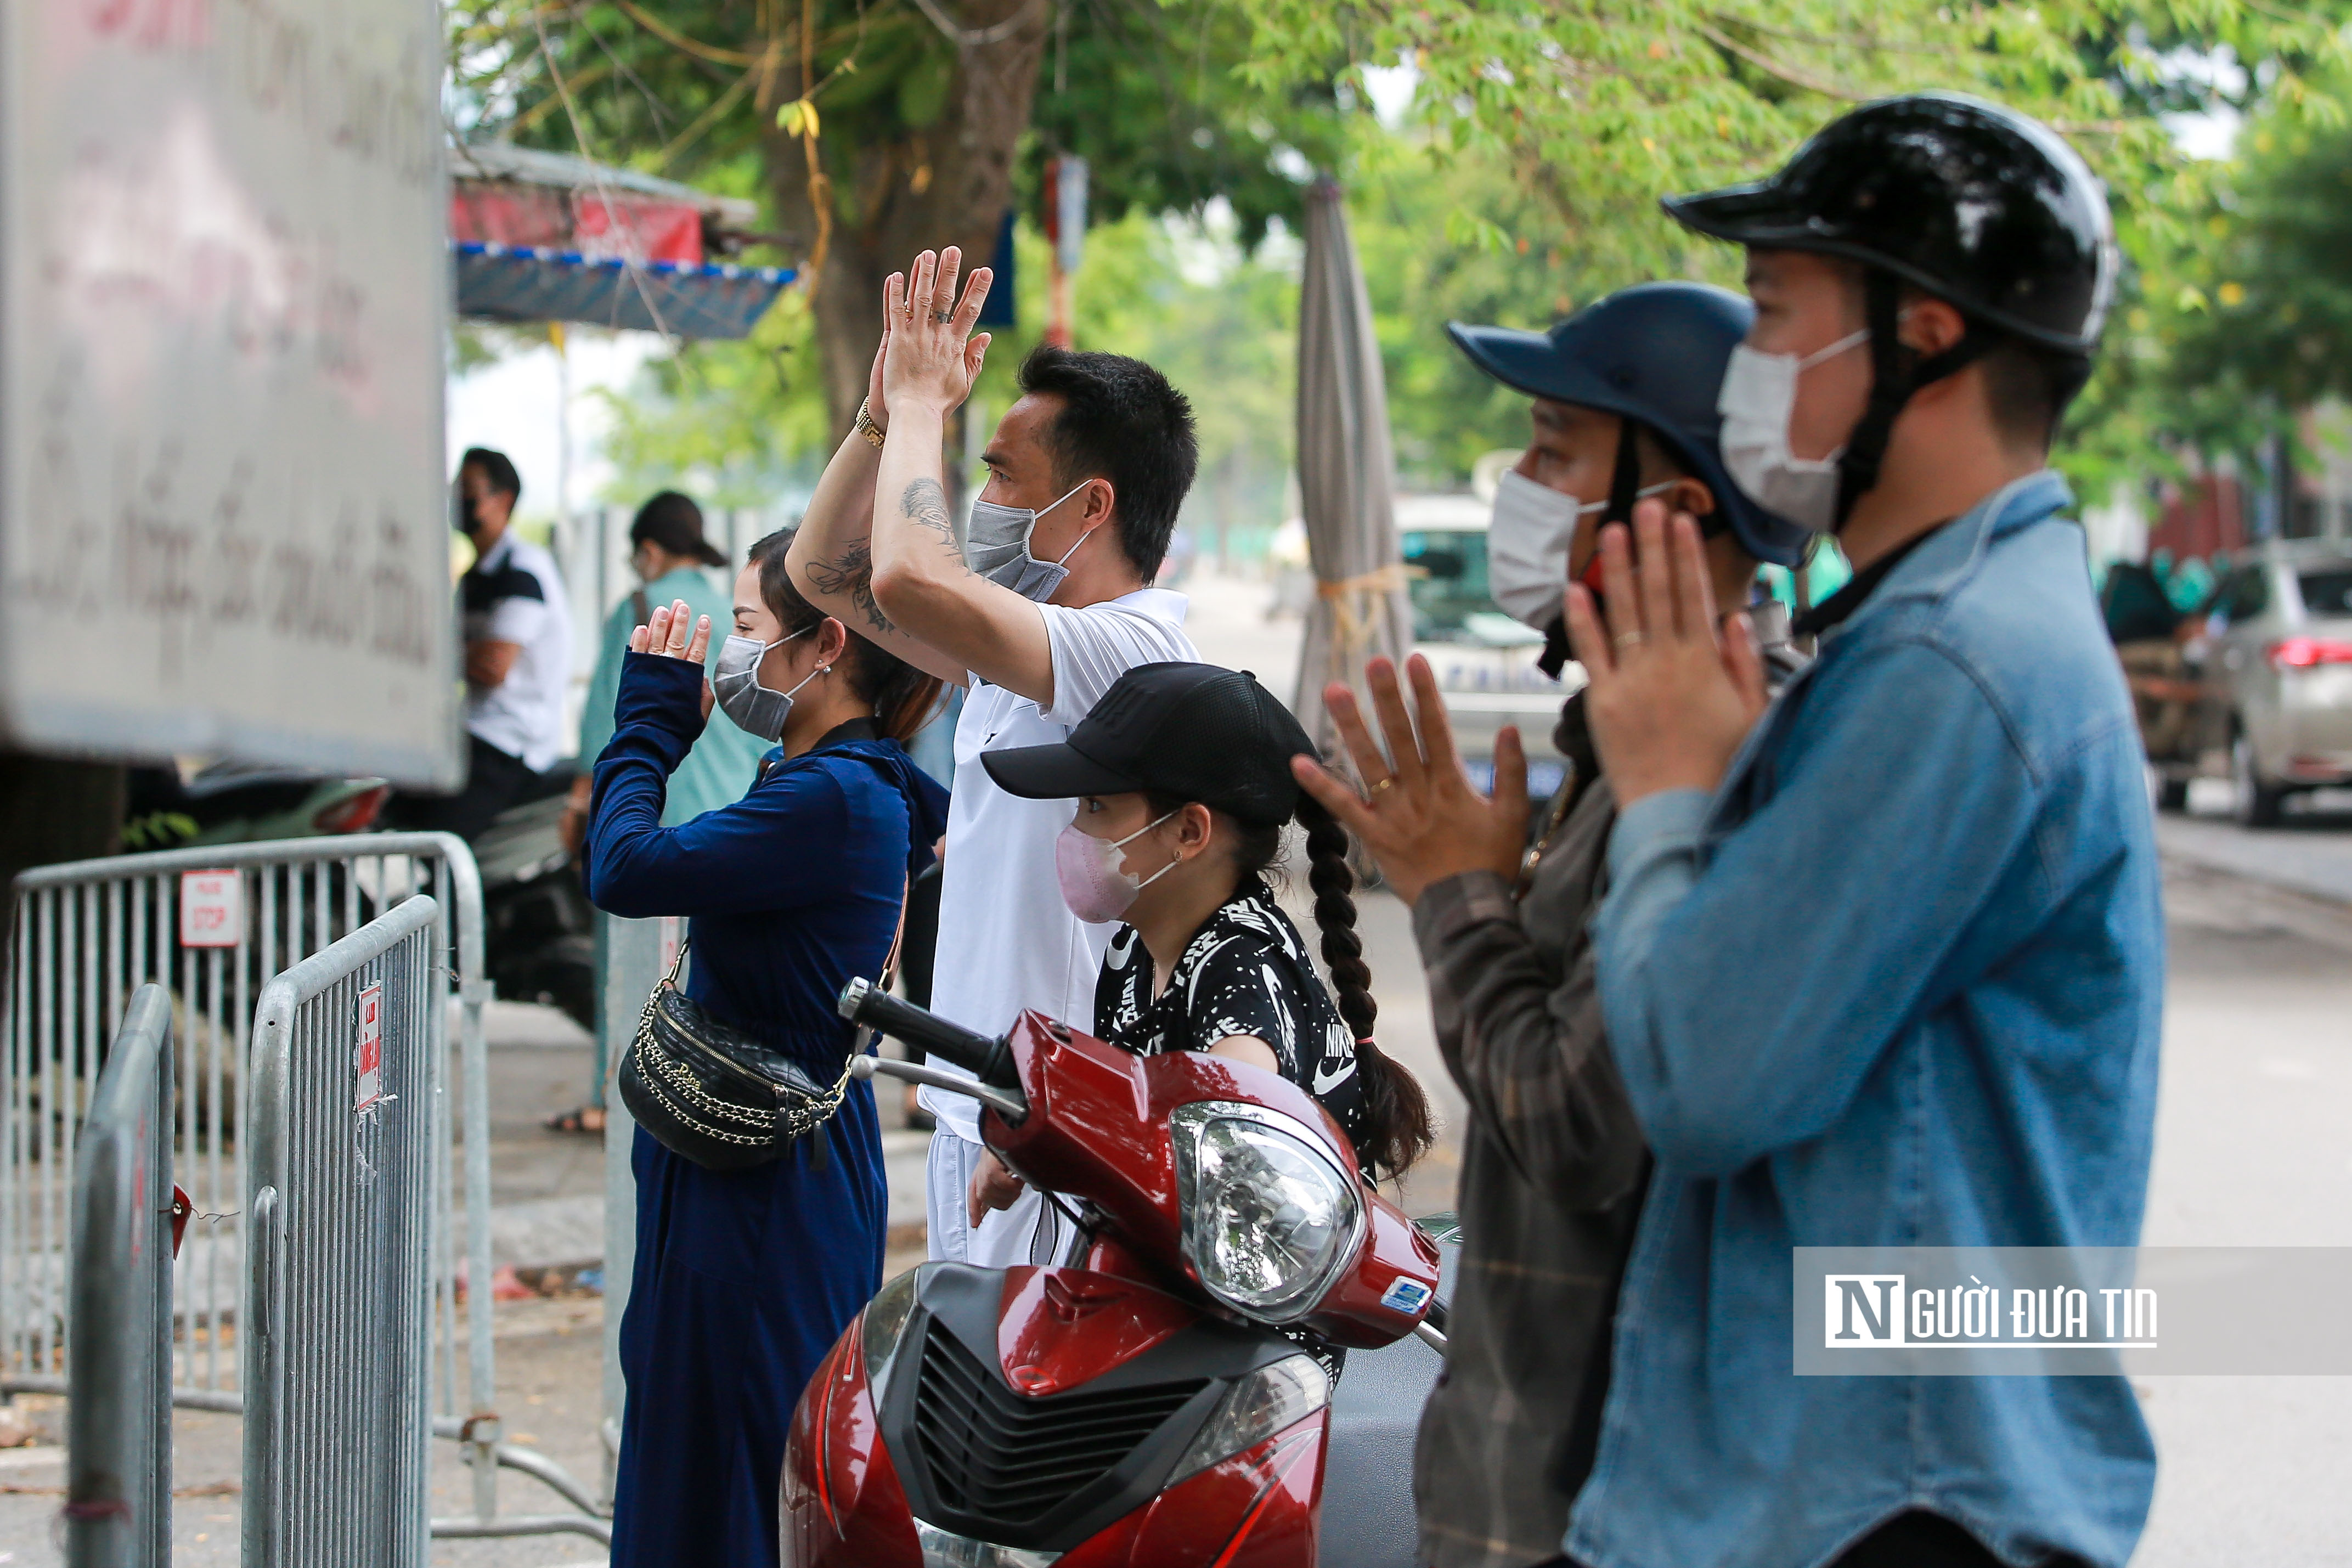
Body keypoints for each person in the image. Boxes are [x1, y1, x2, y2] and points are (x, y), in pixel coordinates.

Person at [1560, 95, 2157, 1568]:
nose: (1751, 362)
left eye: (1772, 316)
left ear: (1924, 338)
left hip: (1875, 1495)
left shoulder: (1955, 665)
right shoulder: (1925, 627)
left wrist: (1661, 790)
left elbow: (1706, 1075)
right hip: (1839, 1478)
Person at [1294, 281, 1809, 1568]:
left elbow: (1580, 1121)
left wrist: (1452, 896)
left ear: (1677, 508)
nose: (1517, 488)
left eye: (1550, 452)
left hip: (1606, 1503)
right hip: (1528, 1476)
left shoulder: (1721, 767)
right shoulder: (1619, 744)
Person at [785, 245, 1202, 1268]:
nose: (985, 500)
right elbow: (825, 574)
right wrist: (885, 414)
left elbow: (913, 578)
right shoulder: (1021, 644)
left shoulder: (1136, 647)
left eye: (1003, 475)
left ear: (1092, 506)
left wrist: (930, 404)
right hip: (980, 1106)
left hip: (1056, 1128)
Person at [581, 530, 949, 1568]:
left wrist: (650, 724)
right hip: (750, 1168)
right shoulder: (832, 775)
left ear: (824, 645)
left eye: (744, 630)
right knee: (703, 1445)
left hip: (760, 1195)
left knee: (736, 1473)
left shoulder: (834, 796)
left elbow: (623, 866)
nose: (727, 657)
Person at [979, 661, 1434, 1198]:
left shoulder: (1241, 967)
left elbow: (1235, 1140)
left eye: (1097, 805)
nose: (1076, 831)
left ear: (1190, 831)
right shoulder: (1133, 950)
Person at [551, 491, 769, 1135]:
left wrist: (577, 806)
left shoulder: (643, 610)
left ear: (647, 551)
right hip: (734, 822)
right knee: (707, 966)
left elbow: (606, 727)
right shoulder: (739, 617)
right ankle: (706, 1089)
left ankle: (608, 1095)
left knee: (625, 963)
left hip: (656, 817)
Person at [390, 447, 574, 841]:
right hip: (471, 733)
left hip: (506, 743)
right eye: (455, 487)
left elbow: (491, 668)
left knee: (436, 844)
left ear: (502, 500)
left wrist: (428, 652)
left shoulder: (522, 571)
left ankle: (455, 903)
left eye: (468, 489)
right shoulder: (477, 575)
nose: (456, 498)